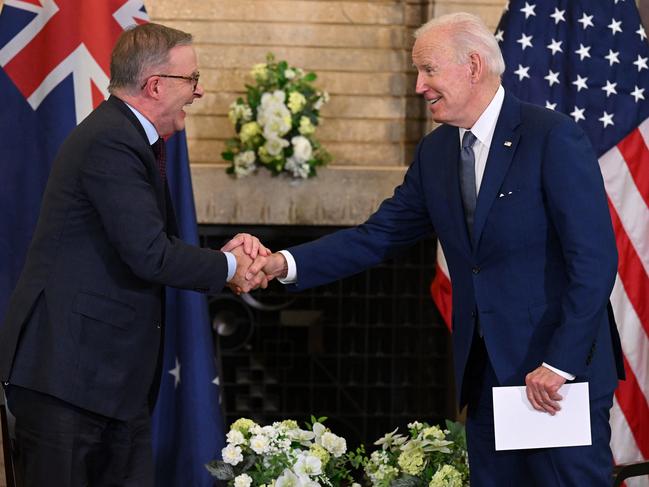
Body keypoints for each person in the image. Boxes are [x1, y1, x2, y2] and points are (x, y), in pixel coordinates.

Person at [250, 12, 625, 486]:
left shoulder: (551, 137)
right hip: (487, 377)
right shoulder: (437, 153)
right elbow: (376, 236)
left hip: (555, 378)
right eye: (417, 72)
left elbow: (594, 262)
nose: (418, 86)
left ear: (473, 65)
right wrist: (282, 263)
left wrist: (558, 363)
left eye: (428, 70)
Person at [0, 23, 267, 486]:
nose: (199, 91)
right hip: (67, 378)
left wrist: (221, 258)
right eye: (192, 79)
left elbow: (145, 243)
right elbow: (149, 254)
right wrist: (230, 266)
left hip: (105, 381)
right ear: (156, 85)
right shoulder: (112, 140)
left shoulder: (128, 139)